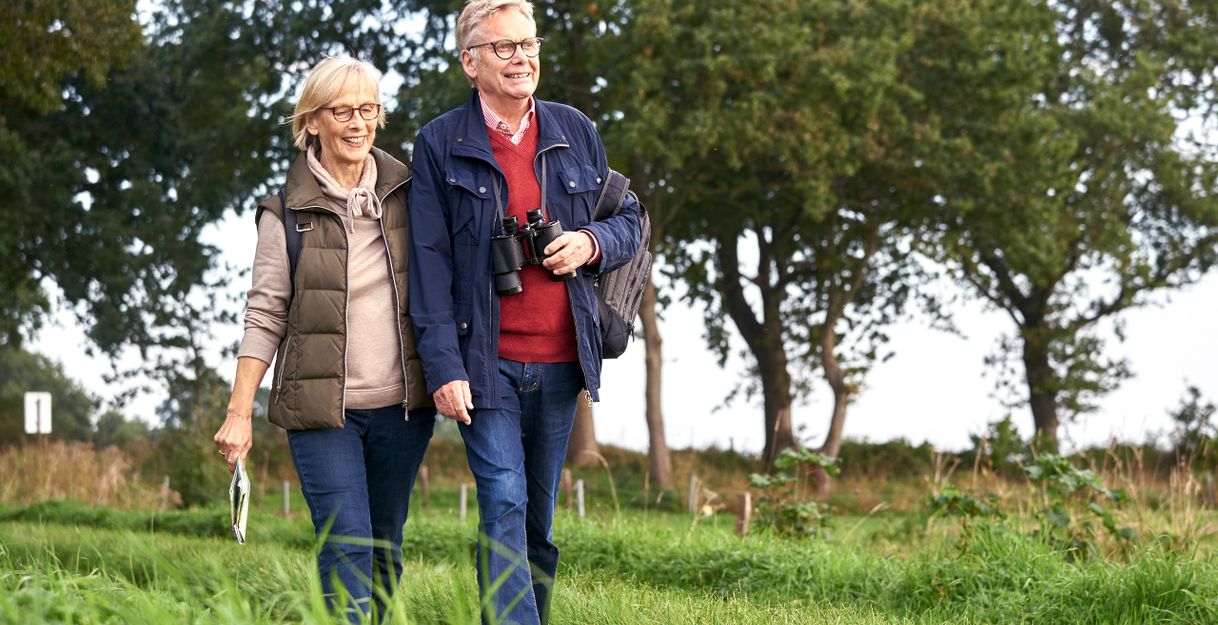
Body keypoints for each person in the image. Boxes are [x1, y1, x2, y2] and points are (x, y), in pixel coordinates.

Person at [407, 2, 642, 624]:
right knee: (504, 501)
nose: (522, 59)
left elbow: (629, 220)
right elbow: (428, 263)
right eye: (504, 47)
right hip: (485, 362)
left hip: (562, 360)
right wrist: (443, 367)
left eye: (529, 44)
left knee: (537, 523)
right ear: (470, 62)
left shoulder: (575, 129)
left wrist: (589, 242)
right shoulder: (439, 143)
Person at [212, 56, 435, 624]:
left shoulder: (411, 193)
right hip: (320, 412)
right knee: (346, 542)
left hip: (402, 409)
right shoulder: (284, 213)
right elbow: (264, 314)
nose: (358, 123)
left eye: (368, 109)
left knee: (384, 546)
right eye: (342, 111)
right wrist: (239, 413)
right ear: (312, 120)